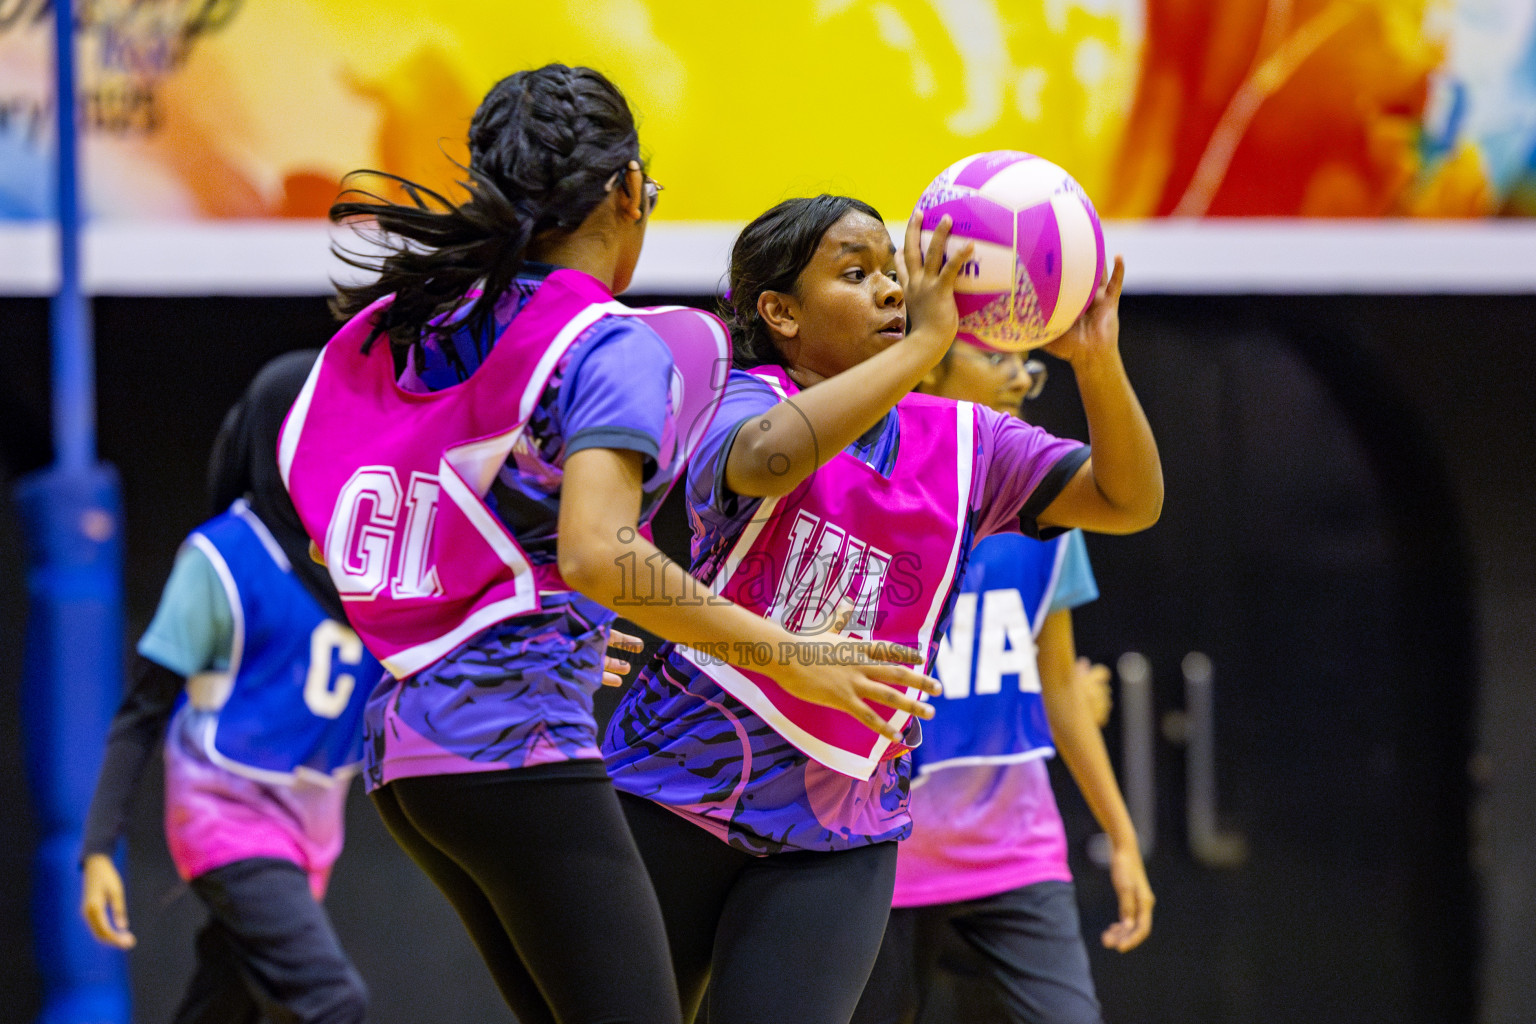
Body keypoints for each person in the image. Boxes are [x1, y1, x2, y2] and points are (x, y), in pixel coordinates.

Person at [278, 66, 937, 1024]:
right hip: (515, 749)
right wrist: (794, 656)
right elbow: (600, 552)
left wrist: (527, 612)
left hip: (407, 759)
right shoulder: (604, 341)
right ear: (627, 189)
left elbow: (341, 540)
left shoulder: (420, 318)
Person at [602, 194, 1162, 1024]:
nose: (892, 292)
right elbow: (767, 459)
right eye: (856, 274)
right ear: (780, 313)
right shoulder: (739, 400)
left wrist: (1097, 363)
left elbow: (1129, 499)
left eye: (893, 276)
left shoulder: (973, 441)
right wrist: (929, 345)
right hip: (674, 786)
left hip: (838, 826)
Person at [850, 344, 1153, 1024]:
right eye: (998, 356)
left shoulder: (1058, 508)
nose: (1021, 376)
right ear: (928, 365)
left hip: (1014, 855)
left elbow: (1059, 688)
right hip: (876, 858)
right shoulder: (872, 494)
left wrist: (1123, 838)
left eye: (1030, 363)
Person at [79, 350, 378, 1024]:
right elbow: (142, 708)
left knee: (226, 1003)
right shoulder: (223, 558)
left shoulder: (369, 563)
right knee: (334, 1002)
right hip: (227, 818)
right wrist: (99, 848)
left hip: (311, 827)